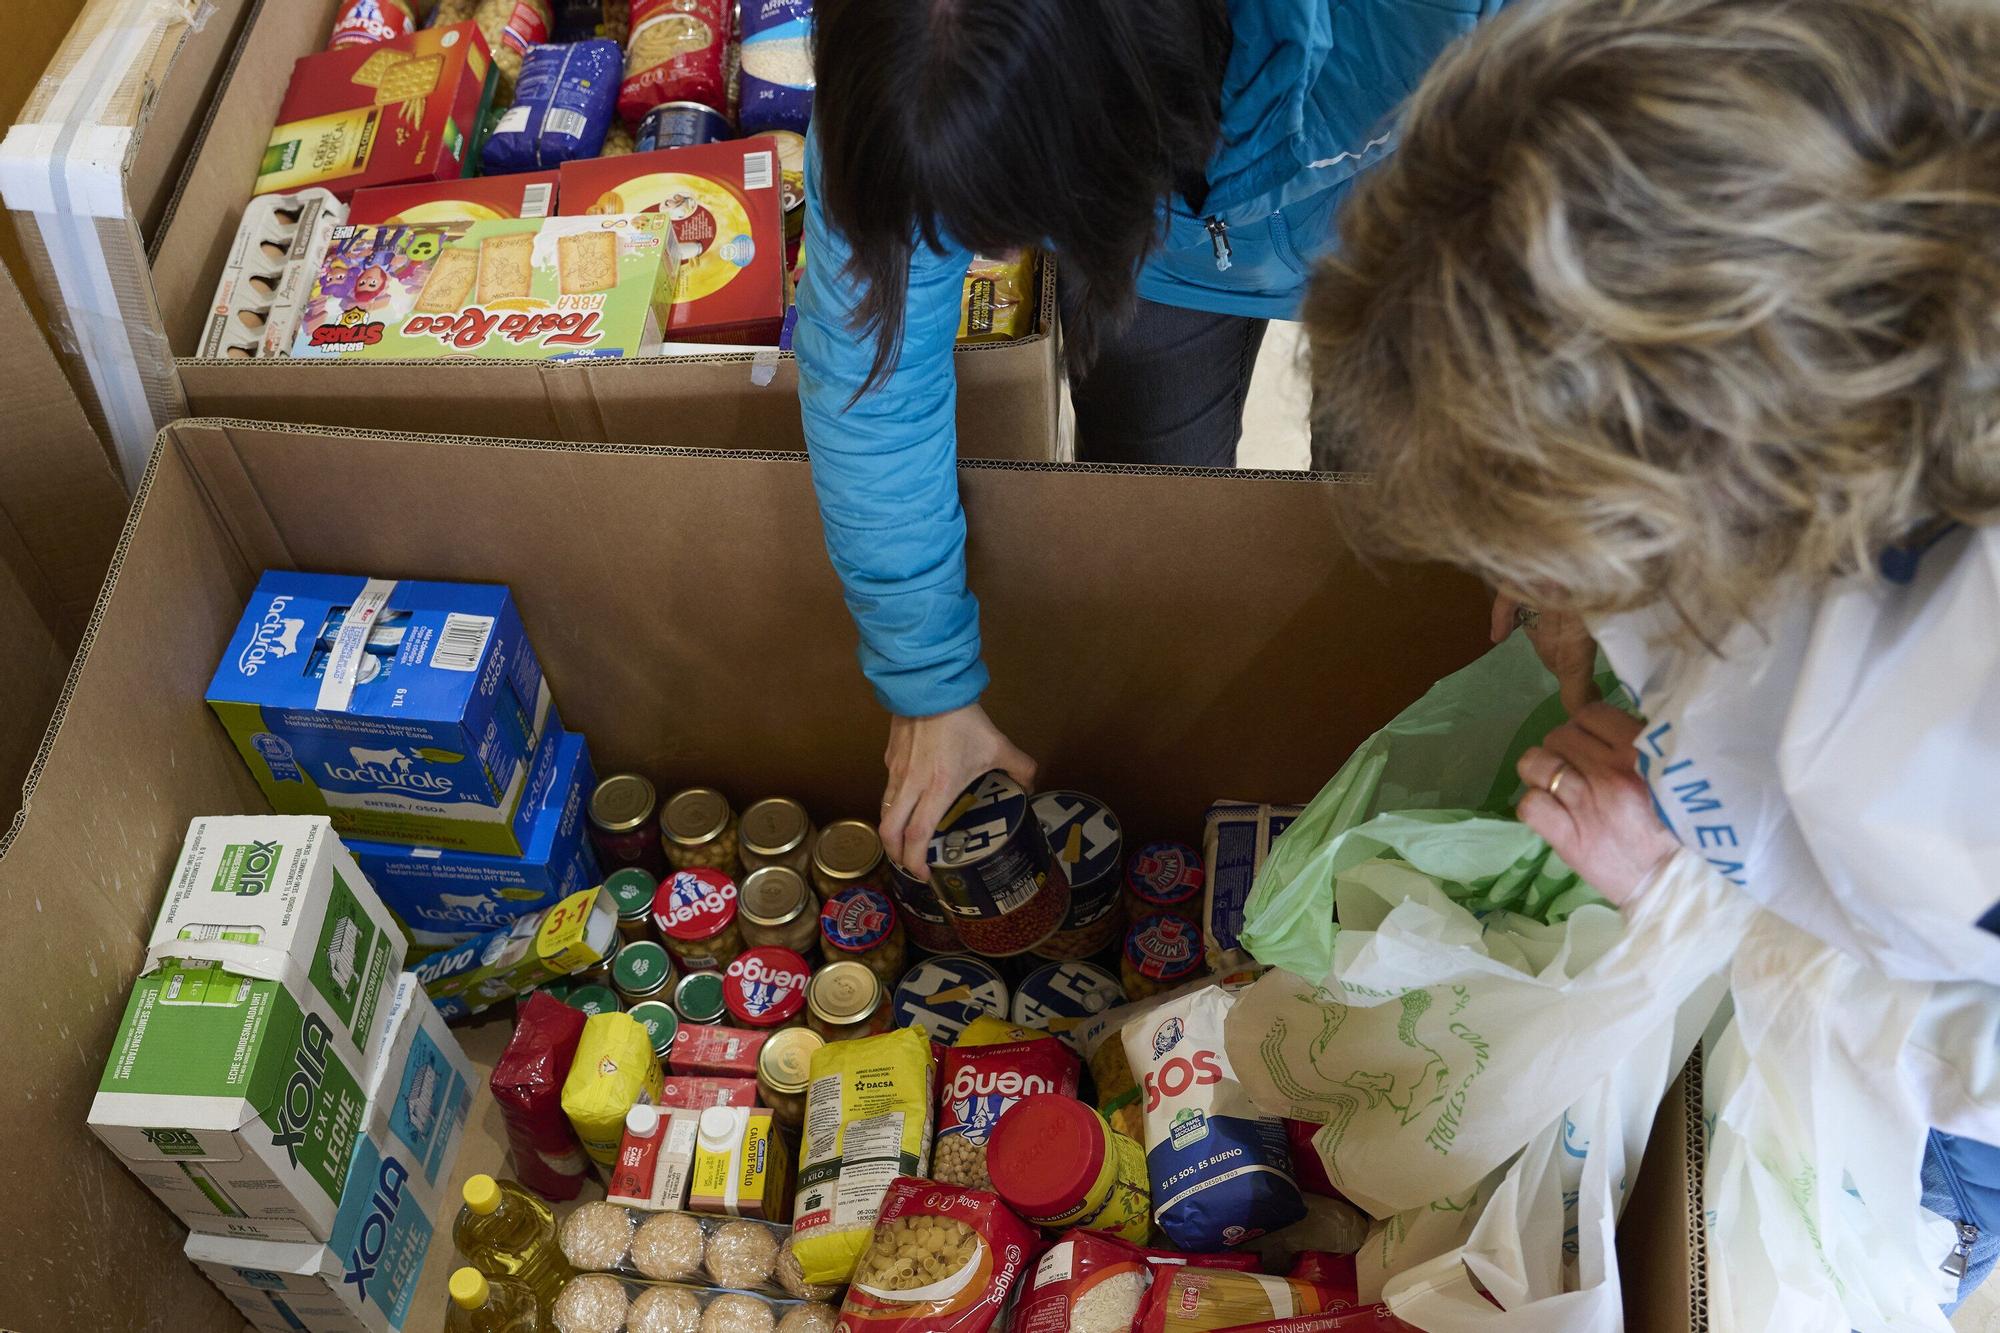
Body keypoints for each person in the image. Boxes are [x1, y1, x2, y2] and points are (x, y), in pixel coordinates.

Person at [1300, 0, 2000, 1310]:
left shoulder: (1958, 707)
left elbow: (1965, 1045)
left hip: (1930, 1106)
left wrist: (1704, 905)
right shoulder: (1849, 254)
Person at [793, 0, 1511, 874]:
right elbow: (873, 382)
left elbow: (1618, 218)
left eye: (1021, 219)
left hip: (1427, 221)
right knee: (1149, 539)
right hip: (1157, 253)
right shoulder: (911, 64)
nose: (1000, 255)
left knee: (1392, 549)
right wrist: (927, 682)